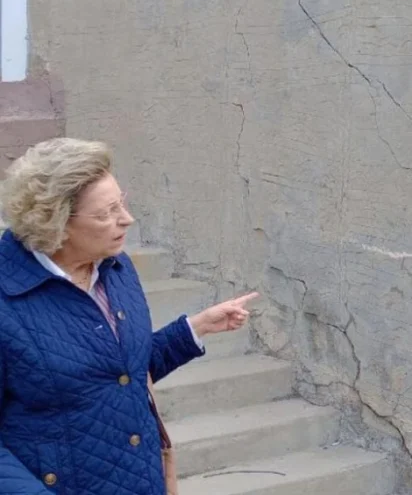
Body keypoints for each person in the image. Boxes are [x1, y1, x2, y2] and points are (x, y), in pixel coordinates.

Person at [0, 138, 258, 494]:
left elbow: (120, 375)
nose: (127, 219)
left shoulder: (115, 268)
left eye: (121, 202)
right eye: (106, 213)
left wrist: (193, 330)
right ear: (55, 222)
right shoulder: (7, 300)